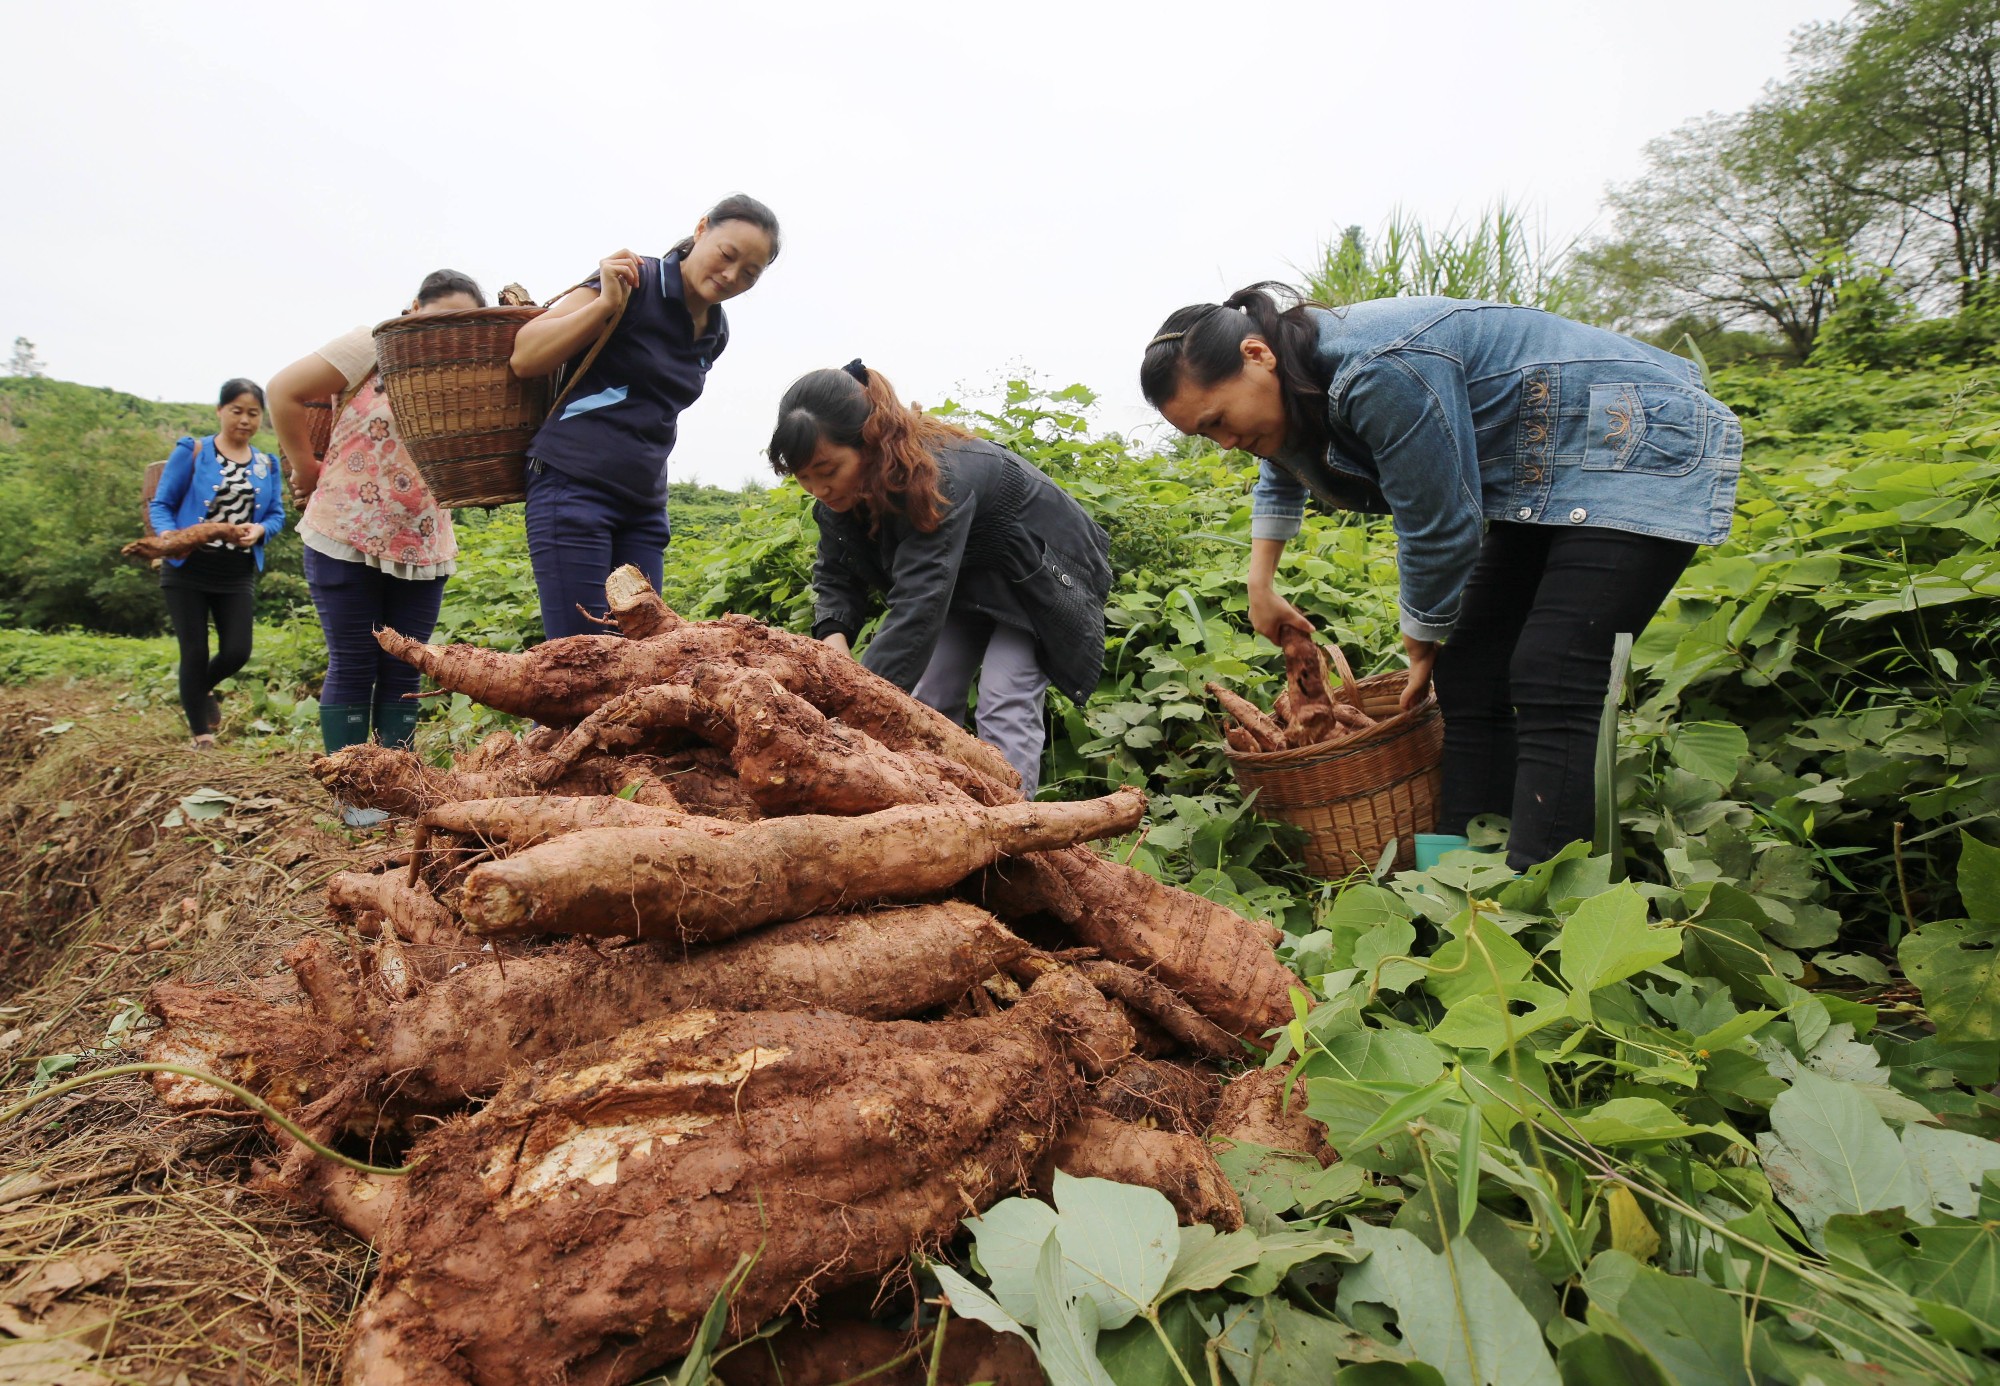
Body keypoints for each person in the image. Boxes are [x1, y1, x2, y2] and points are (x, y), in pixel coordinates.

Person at [1140, 285, 1742, 873]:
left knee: (1554, 671)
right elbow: (1281, 460)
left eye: (1219, 419)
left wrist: (1421, 640)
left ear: (1255, 355)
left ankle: (1542, 902)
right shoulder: (1291, 380)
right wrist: (1260, 583)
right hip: (1541, 471)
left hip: (1634, 434)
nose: (1226, 441)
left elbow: (1439, 526)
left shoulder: (1377, 368)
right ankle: (1459, 877)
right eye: (1205, 435)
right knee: (1472, 672)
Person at [767, 361, 1113, 795]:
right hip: (968, 582)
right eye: (804, 478)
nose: (820, 489)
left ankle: (1012, 829)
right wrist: (833, 641)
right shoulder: (840, 500)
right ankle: (940, 807)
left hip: (1041, 577)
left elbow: (918, 606)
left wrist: (852, 709)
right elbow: (835, 577)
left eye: (828, 470)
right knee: (928, 693)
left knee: (1004, 699)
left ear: (868, 443)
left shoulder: (937, 477)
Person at [509, 194, 780, 640]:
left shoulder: (716, 330)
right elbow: (525, 355)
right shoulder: (635, 280)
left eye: (749, 273)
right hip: (573, 488)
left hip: (644, 508)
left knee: (643, 659)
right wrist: (603, 306)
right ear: (701, 229)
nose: (731, 276)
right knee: (582, 662)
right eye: (727, 256)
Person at [268, 269, 486, 826]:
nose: (447, 334)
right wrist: (305, 467)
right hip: (346, 532)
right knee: (355, 661)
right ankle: (352, 796)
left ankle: (396, 792)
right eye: (439, 319)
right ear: (413, 309)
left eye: (462, 325)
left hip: (424, 545)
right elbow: (284, 391)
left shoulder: (465, 373)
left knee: (404, 668)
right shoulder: (370, 345)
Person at [148, 380, 286, 749]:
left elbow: (276, 514)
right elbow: (161, 504)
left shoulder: (265, 464)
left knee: (237, 651)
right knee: (195, 650)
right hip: (188, 567)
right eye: (236, 411)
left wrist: (260, 530)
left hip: (236, 571)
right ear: (220, 411)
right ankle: (202, 735)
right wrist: (170, 538)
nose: (244, 420)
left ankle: (198, 688)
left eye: (253, 413)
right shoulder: (193, 451)